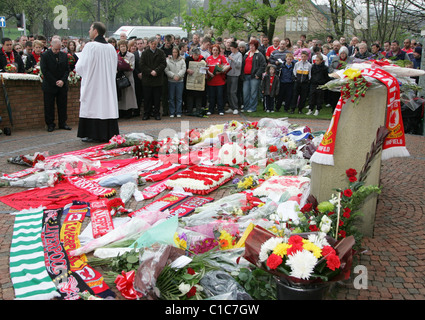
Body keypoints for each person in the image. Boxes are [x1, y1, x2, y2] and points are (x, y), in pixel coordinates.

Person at [75, 21, 120, 142]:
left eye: (90, 29)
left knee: (93, 107)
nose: (89, 31)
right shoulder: (111, 48)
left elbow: (80, 67)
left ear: (95, 31)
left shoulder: (90, 46)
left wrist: (87, 74)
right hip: (107, 85)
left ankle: (93, 134)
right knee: (106, 106)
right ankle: (107, 133)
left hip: (93, 84)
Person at [40, 38, 70, 132]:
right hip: (50, 85)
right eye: (55, 49)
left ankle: (63, 123)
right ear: (51, 46)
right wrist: (55, 81)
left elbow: (67, 69)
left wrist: (62, 80)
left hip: (62, 85)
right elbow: (45, 70)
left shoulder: (64, 55)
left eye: (59, 49)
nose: (57, 51)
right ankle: (50, 124)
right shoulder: (45, 55)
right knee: (49, 106)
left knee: (62, 105)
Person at [140, 37, 167, 120]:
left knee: (157, 98)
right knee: (147, 98)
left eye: (155, 44)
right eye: (152, 44)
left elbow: (163, 64)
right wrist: (150, 71)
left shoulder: (161, 52)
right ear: (149, 44)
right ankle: (146, 113)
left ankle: (157, 113)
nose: (154, 45)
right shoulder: (144, 53)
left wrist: (156, 71)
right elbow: (142, 64)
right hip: (147, 79)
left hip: (157, 79)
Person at [241, 39, 266, 113]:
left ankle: (252, 108)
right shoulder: (246, 54)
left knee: (253, 92)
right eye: (250, 45)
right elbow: (243, 64)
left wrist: (258, 74)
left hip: (254, 77)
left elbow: (263, 65)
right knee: (245, 92)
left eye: (252, 46)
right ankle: (246, 107)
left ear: (256, 46)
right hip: (246, 76)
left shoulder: (259, 54)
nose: (251, 47)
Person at [206, 44, 230, 115]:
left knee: (220, 96)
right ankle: (211, 109)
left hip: (220, 81)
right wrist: (209, 73)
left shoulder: (222, 58)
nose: (215, 51)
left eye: (216, 50)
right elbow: (205, 68)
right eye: (214, 50)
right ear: (211, 51)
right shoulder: (208, 58)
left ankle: (220, 110)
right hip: (211, 80)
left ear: (219, 51)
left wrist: (221, 71)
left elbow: (228, 65)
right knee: (211, 96)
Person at [116, 39, 138, 118]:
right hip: (119, 77)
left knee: (129, 96)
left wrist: (125, 67)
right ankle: (121, 112)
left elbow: (132, 67)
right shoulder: (116, 56)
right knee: (121, 95)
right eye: (121, 46)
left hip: (128, 77)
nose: (123, 48)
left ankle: (128, 112)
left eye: (124, 46)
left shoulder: (131, 56)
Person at [165, 46, 186, 117]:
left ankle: (179, 112)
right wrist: (173, 76)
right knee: (171, 97)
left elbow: (183, 69)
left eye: (176, 52)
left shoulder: (182, 60)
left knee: (179, 98)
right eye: (173, 52)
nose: (175, 54)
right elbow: (166, 70)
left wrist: (179, 75)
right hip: (171, 81)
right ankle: (172, 112)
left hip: (180, 81)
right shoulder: (168, 60)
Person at [185, 48, 206, 116]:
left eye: (197, 55)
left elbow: (205, 69)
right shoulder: (188, 59)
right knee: (190, 95)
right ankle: (189, 110)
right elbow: (184, 67)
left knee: (199, 95)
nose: (196, 56)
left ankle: (198, 110)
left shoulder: (202, 60)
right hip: (190, 80)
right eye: (195, 55)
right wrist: (187, 70)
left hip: (198, 81)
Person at [226, 41, 242, 114]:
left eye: (232, 49)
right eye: (230, 49)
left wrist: (233, 60)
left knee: (233, 91)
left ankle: (235, 107)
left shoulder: (239, 55)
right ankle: (231, 107)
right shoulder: (231, 54)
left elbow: (239, 65)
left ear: (236, 48)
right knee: (228, 91)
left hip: (235, 75)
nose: (231, 50)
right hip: (229, 74)